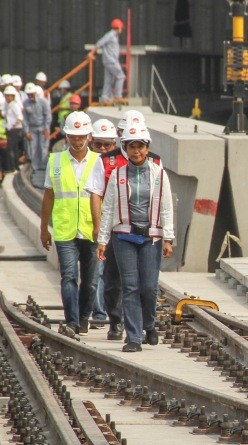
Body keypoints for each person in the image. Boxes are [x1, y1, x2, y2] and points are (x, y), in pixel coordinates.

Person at [95, 121, 174, 352]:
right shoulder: (118, 174)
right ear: (125, 149)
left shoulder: (159, 174)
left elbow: (167, 207)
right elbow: (108, 207)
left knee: (148, 287)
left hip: (151, 237)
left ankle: (149, 324)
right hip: (123, 236)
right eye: (132, 147)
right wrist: (102, 240)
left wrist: (168, 238)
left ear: (147, 148)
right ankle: (133, 337)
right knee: (129, 286)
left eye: (140, 146)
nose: (136, 151)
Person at [40, 111, 104, 337]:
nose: (77, 141)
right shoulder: (55, 161)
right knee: (68, 276)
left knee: (91, 282)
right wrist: (43, 228)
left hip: (91, 231)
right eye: (73, 137)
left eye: (81, 136)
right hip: (65, 229)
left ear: (89, 136)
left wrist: (102, 228)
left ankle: (84, 317)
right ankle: (73, 322)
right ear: (66, 137)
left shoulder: (99, 162)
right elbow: (49, 196)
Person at [88, 118, 117, 328]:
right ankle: (99, 313)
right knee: (96, 270)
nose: (103, 148)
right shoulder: (87, 163)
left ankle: (112, 311)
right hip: (90, 226)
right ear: (91, 142)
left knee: (113, 271)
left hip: (115, 226)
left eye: (108, 144)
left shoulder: (117, 164)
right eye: (99, 144)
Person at [88, 18, 126, 104]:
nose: (121, 30)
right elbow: (99, 43)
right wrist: (91, 53)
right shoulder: (110, 35)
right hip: (111, 61)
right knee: (121, 76)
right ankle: (118, 96)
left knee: (109, 79)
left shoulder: (114, 36)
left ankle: (105, 97)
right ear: (118, 27)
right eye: (121, 28)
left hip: (109, 60)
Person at [23, 82, 51, 171]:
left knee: (43, 147)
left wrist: (46, 128)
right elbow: (25, 119)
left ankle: (43, 166)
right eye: (28, 94)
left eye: (31, 94)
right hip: (32, 128)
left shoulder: (43, 102)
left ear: (35, 93)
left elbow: (47, 115)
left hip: (42, 127)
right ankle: (35, 167)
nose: (30, 96)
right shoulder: (25, 103)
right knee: (33, 147)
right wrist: (26, 131)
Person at [3, 85, 24, 172]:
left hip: (14, 130)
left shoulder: (15, 105)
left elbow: (20, 118)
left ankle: (13, 167)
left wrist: (12, 126)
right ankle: (14, 167)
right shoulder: (8, 105)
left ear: (13, 96)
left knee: (11, 149)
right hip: (10, 130)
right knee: (13, 149)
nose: (7, 97)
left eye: (9, 95)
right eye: (6, 95)